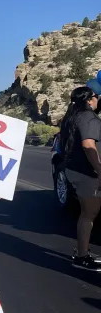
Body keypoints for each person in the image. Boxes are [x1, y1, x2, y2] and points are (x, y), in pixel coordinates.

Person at [59, 86, 101, 270]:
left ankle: (83, 251)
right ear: (89, 99)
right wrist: (99, 170)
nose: (97, 98)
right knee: (88, 215)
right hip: (88, 173)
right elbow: (88, 145)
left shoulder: (71, 117)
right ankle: (82, 255)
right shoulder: (88, 117)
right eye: (95, 96)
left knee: (87, 213)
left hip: (75, 170)